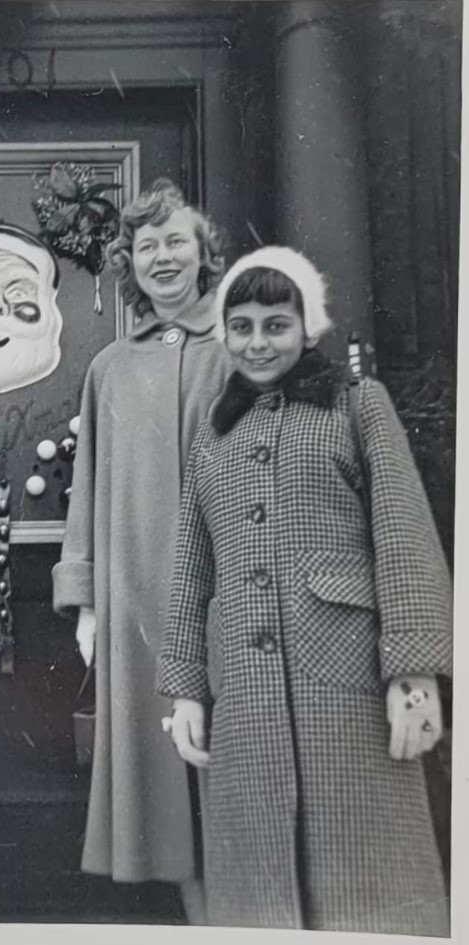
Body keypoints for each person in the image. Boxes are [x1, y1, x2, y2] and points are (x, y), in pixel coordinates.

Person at [158, 246, 452, 934]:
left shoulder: (357, 405)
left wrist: (413, 673)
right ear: (223, 333)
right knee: (258, 896)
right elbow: (190, 563)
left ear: (306, 326)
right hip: (242, 697)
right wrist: (184, 687)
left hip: (347, 685)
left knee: (367, 885)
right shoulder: (214, 427)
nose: (257, 341)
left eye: (275, 324)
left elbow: (403, 532)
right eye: (241, 326)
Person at [51, 178, 228, 921]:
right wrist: (85, 595)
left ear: (204, 254)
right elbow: (87, 485)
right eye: (145, 245)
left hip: (231, 590)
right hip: (140, 599)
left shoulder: (241, 349)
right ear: (129, 261)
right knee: (169, 791)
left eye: (175, 241)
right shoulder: (110, 368)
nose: (161, 257)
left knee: (232, 768)